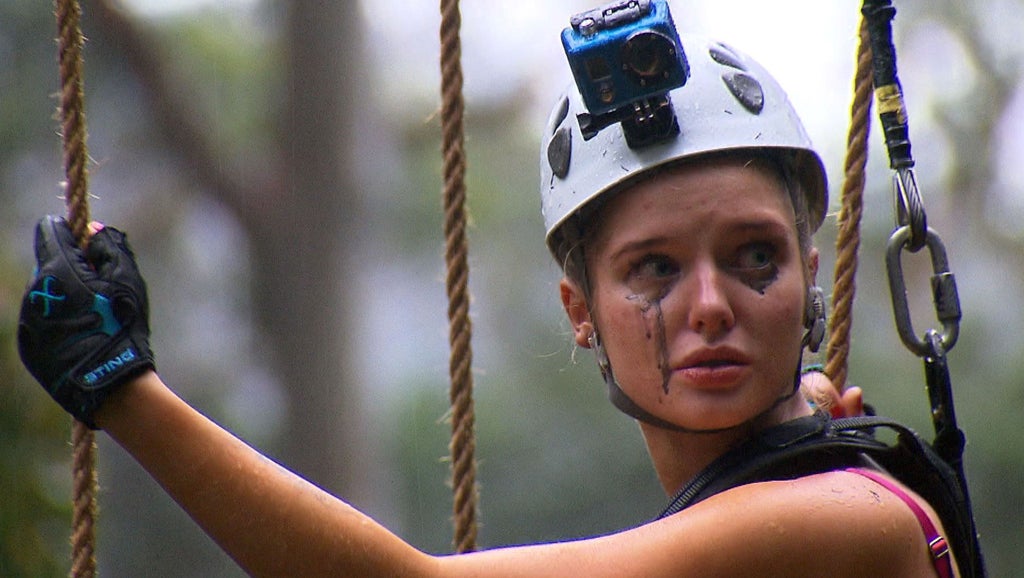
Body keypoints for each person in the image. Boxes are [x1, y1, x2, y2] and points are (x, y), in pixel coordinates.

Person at [18, 20, 969, 578]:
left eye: (755, 256)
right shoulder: (794, 486)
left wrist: (124, 392)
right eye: (654, 269)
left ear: (808, 281)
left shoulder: (844, 517)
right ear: (578, 310)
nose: (711, 305)